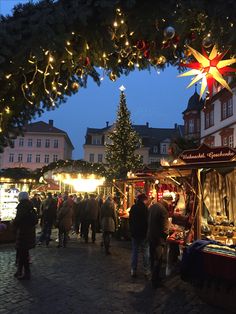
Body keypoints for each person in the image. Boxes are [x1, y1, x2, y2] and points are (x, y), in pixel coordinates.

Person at [13, 192, 38, 280]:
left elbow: (18, 219)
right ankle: (19, 271)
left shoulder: (22, 206)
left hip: (23, 232)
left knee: (23, 253)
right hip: (29, 232)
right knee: (22, 252)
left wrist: (13, 222)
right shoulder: (30, 206)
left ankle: (26, 273)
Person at [147, 198, 170, 288]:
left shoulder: (152, 207)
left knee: (153, 258)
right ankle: (155, 280)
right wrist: (166, 236)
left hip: (150, 236)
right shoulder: (163, 210)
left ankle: (154, 277)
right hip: (158, 239)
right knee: (158, 259)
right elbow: (165, 228)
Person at [129, 193, 150, 278]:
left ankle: (133, 270)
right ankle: (146, 271)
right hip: (144, 233)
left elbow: (130, 220)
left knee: (135, 252)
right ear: (144, 200)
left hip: (135, 233)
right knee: (145, 252)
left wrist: (131, 230)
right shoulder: (145, 209)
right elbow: (147, 221)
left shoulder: (133, 207)